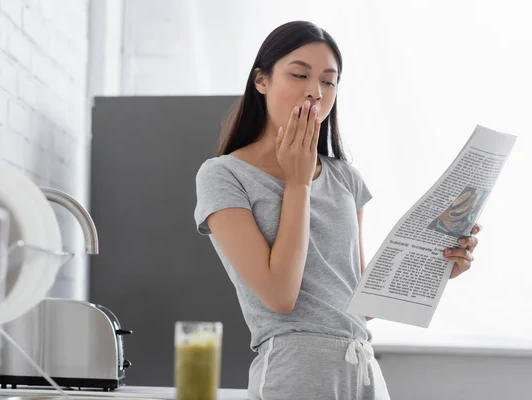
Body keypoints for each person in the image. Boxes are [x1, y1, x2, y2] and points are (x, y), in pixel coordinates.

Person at [193, 21, 481, 399]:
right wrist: (298, 183)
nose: (315, 91)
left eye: (329, 82)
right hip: (295, 369)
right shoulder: (224, 175)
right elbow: (280, 296)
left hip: (363, 367)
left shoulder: (345, 177)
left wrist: (437, 267)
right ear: (261, 81)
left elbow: (355, 300)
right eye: (299, 75)